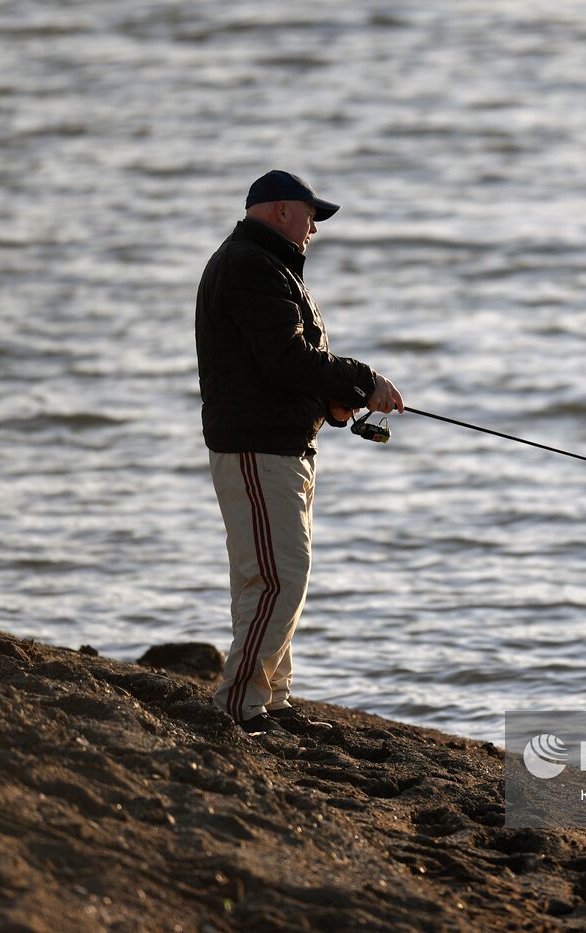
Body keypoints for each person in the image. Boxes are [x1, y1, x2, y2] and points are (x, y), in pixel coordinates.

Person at [195, 169, 404, 736]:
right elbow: (285, 360)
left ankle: (271, 699)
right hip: (258, 450)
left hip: (277, 446)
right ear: (282, 210)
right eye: (312, 216)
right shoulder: (250, 266)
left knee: (268, 578)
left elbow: (281, 367)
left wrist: (331, 405)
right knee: (279, 578)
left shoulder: (266, 266)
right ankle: (240, 705)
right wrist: (362, 381)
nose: (315, 229)